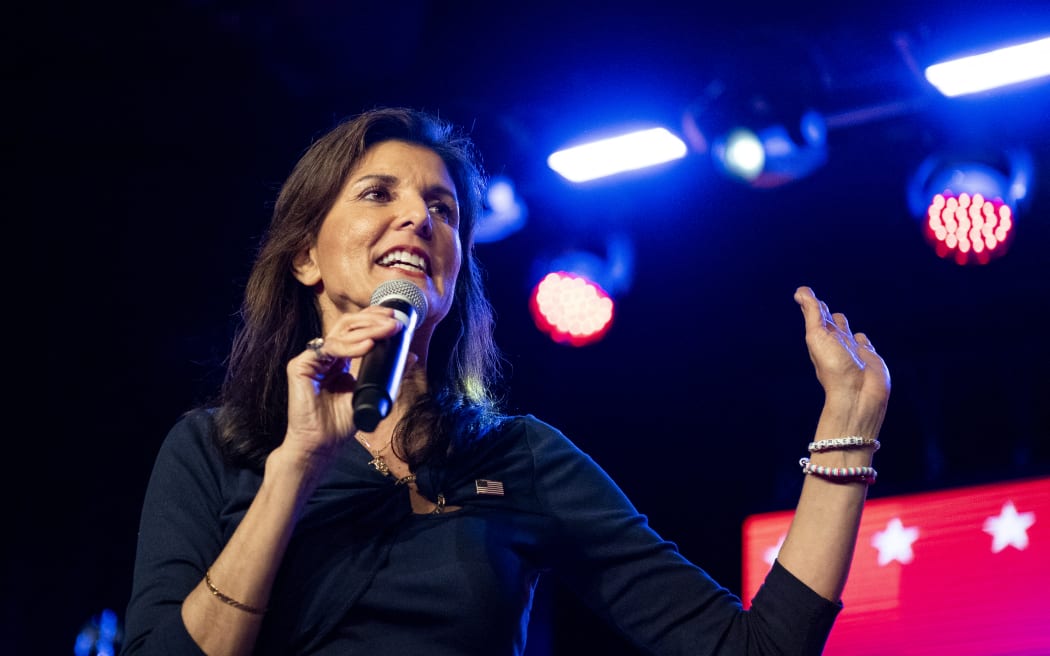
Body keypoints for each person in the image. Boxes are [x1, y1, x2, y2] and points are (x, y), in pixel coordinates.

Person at [123, 106, 890, 655]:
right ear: (306, 257)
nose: (419, 220)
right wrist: (294, 471)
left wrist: (843, 435)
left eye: (444, 208)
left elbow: (753, 648)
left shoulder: (516, 457)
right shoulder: (213, 449)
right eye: (377, 194)